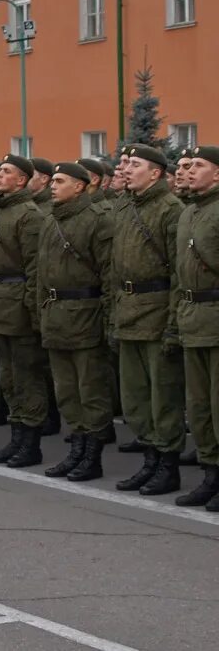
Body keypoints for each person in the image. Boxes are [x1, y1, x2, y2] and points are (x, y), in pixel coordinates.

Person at [111, 144, 185, 495]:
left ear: (155, 173)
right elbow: (114, 269)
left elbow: (179, 274)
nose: (125, 169)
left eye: (134, 164)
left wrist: (173, 324)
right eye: (124, 164)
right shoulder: (126, 206)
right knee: (136, 396)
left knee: (163, 395)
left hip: (157, 311)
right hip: (128, 309)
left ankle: (167, 465)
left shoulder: (170, 209)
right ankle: (151, 458)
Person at [39, 162, 114, 482]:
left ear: (81, 186)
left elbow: (110, 274)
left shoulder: (97, 220)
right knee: (66, 389)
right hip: (55, 314)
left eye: (60, 181)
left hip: (85, 311)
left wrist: (109, 319)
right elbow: (41, 272)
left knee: (90, 388)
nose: (52, 186)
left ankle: (92, 455)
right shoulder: (50, 220)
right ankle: (78, 448)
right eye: (52, 180)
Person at [0, 154, 46, 467]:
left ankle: (30, 442)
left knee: (26, 375)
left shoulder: (28, 214)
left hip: (18, 302)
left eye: (6, 171)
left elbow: (35, 269)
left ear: (21, 180)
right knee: (7, 376)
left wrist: (33, 311)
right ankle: (16, 435)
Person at [175, 145, 219, 511]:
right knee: (200, 405)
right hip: (193, 318)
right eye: (186, 166)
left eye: (199, 166)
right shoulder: (188, 212)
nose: (188, 171)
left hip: (217, 319)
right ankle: (210, 474)